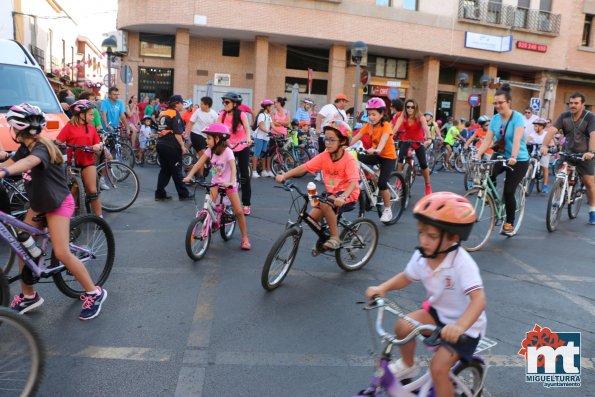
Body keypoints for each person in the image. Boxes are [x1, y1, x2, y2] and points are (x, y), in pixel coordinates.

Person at [365, 192, 486, 397]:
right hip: (438, 313)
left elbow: (479, 299)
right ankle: (408, 364)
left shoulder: (462, 263)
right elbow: (407, 276)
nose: (424, 240)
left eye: (431, 236)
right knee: (403, 326)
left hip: (465, 327)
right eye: (421, 233)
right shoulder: (423, 256)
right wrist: (382, 288)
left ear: (453, 237)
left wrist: (459, 327)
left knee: (438, 370)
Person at [3, 103, 107, 320]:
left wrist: (6, 171)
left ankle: (94, 293)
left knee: (61, 252)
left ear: (16, 129)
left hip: (59, 204)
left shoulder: (42, 148)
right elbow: (13, 159)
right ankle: (29, 296)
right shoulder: (25, 147)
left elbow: (29, 163)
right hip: (39, 204)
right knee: (22, 246)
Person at [275, 120, 360, 250]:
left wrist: (343, 197)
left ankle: (335, 238)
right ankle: (325, 236)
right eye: (326, 139)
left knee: (326, 204)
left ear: (342, 141)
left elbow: (354, 182)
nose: (328, 143)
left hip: (348, 194)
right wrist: (284, 176)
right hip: (331, 194)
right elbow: (304, 167)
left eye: (332, 140)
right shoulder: (325, 156)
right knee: (312, 218)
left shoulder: (348, 160)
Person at [183, 123, 251, 250]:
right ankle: (211, 222)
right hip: (216, 182)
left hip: (228, 183)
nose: (205, 140)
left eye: (208, 138)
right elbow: (198, 164)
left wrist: (231, 182)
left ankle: (245, 238)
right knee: (209, 206)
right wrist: (189, 176)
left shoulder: (228, 152)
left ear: (217, 139)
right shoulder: (210, 150)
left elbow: (233, 169)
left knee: (239, 211)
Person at [475, 83, 530, 236]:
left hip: (518, 159)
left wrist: (513, 157)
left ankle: (509, 222)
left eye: (501, 102)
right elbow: (487, 140)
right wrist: (477, 155)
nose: (498, 106)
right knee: (489, 175)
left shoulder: (518, 118)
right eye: (496, 103)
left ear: (508, 102)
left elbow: (518, 139)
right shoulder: (495, 119)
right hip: (501, 154)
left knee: (508, 191)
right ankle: (492, 200)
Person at [541, 92, 595, 224]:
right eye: (570, 103)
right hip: (567, 153)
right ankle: (558, 197)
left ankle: (592, 210)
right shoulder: (564, 116)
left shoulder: (590, 117)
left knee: (589, 183)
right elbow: (552, 130)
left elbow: (594, 135)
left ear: (582, 104)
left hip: (584, 155)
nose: (573, 105)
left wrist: (591, 151)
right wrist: (544, 146)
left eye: (576, 103)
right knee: (561, 175)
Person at [350, 97, 397, 222]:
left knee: (382, 184)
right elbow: (357, 137)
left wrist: (378, 149)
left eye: (374, 114)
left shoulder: (386, 125)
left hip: (388, 157)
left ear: (382, 114)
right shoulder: (368, 126)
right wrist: (344, 146)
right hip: (376, 154)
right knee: (356, 157)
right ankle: (369, 182)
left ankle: (388, 210)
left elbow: (384, 138)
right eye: (369, 114)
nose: (371, 117)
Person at [55, 99, 104, 217]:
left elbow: (99, 143)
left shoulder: (91, 128)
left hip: (88, 162)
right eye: (91, 114)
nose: (93, 117)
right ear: (82, 114)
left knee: (92, 191)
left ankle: (100, 218)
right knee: (74, 191)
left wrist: (98, 146)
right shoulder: (69, 127)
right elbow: (58, 141)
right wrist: (56, 143)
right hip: (73, 163)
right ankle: (68, 218)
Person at [217, 92, 253, 215]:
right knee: (222, 173)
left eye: (227, 102)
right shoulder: (221, 114)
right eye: (224, 102)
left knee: (244, 176)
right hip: (228, 147)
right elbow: (217, 129)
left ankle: (246, 204)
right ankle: (223, 202)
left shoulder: (241, 115)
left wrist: (248, 138)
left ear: (235, 104)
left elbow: (247, 128)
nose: (224, 104)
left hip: (241, 146)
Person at [154, 95, 193, 201]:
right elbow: (176, 133)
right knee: (177, 170)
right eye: (181, 103)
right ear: (176, 103)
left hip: (161, 144)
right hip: (171, 146)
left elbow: (166, 128)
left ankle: (160, 194)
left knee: (165, 171)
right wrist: (182, 146)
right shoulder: (175, 114)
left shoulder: (164, 113)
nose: (183, 105)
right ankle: (184, 194)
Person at [392, 98, 433, 195]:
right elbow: (395, 128)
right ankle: (399, 180)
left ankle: (427, 185)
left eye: (412, 107)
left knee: (423, 164)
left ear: (416, 108)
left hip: (418, 141)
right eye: (407, 107)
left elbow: (426, 128)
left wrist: (429, 138)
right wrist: (390, 136)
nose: (410, 109)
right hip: (406, 140)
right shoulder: (403, 116)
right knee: (401, 159)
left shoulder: (420, 117)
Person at [185, 96, 218, 179]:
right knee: (203, 155)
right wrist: (187, 135)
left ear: (207, 105)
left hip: (207, 137)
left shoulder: (214, 114)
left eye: (202, 104)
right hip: (196, 134)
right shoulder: (198, 112)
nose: (201, 105)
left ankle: (191, 168)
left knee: (210, 158)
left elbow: (216, 127)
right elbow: (190, 123)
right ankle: (201, 176)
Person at [526, 118, 552, 193]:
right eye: (534, 126)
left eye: (536, 126)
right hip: (534, 152)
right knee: (528, 164)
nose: (535, 128)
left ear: (542, 127)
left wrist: (549, 146)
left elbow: (551, 143)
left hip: (544, 153)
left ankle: (545, 185)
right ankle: (527, 176)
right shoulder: (533, 133)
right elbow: (527, 140)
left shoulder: (546, 134)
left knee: (544, 167)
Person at [251, 99, 274, 178]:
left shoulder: (268, 116)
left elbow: (273, 126)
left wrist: (281, 132)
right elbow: (261, 127)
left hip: (265, 137)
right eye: (270, 106)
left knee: (264, 154)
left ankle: (263, 171)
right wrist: (269, 132)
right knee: (257, 153)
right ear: (267, 107)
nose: (271, 108)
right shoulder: (262, 115)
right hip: (259, 137)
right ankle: (254, 171)